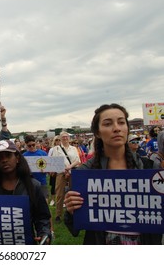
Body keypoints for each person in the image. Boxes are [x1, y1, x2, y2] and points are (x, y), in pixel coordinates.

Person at [64, 103, 162, 245]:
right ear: (97, 132)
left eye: (121, 122)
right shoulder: (84, 174)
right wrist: (71, 210)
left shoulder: (150, 168)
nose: (116, 128)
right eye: (108, 124)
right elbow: (75, 229)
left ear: (127, 128)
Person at [0, 139, 51, 244]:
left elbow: (42, 216)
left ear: (17, 158)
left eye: (8, 156)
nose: (4, 160)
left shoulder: (33, 186)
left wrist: (44, 234)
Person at [50, 131, 80, 223]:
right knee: (59, 194)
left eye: (66, 137)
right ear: (60, 139)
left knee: (74, 192)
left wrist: (69, 168)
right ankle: (58, 215)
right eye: (63, 137)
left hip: (72, 172)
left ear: (69, 138)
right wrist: (65, 170)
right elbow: (55, 161)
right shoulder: (56, 149)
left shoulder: (74, 148)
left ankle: (74, 213)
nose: (65, 138)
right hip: (61, 172)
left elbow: (77, 160)